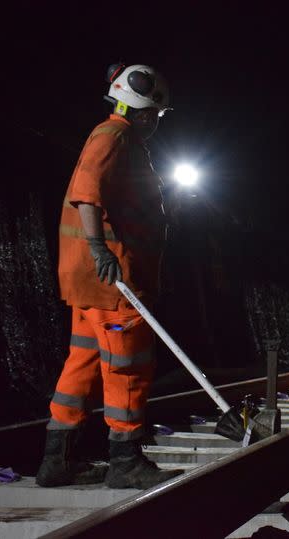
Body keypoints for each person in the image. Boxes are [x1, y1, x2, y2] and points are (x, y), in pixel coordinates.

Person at [38, 64, 183, 489]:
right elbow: (88, 190)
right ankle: (125, 460)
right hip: (112, 281)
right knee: (128, 365)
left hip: (91, 286)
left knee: (81, 363)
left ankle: (56, 460)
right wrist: (100, 248)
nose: (156, 123)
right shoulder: (114, 135)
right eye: (156, 115)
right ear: (142, 112)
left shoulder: (121, 139)